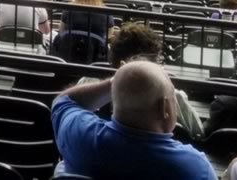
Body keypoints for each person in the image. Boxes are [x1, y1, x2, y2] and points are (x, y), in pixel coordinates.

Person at [52, 62, 214, 180]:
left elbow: (64, 100)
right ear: (164, 108)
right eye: (172, 98)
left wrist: (114, 83)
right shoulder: (195, 168)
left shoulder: (79, 135)